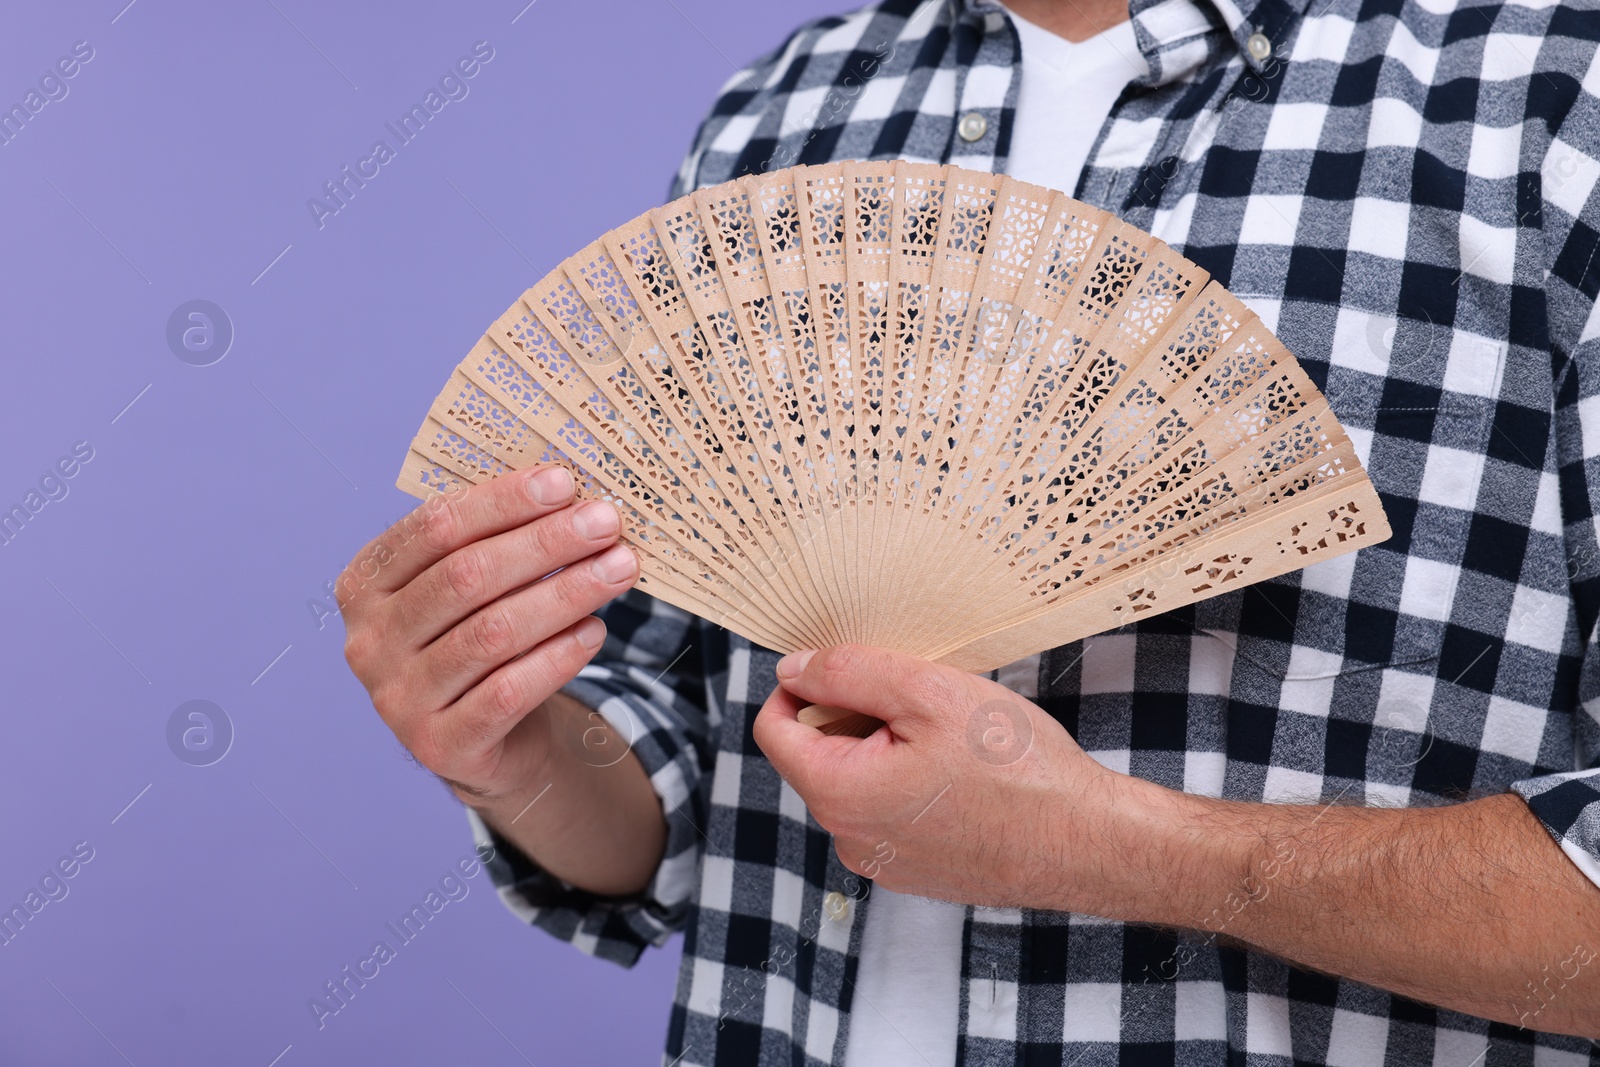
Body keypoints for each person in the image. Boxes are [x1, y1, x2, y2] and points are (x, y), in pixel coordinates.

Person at [338, 0, 1600, 1061]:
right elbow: (675, 763)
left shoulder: (1544, 93)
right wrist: (513, 745)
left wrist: (1128, 851)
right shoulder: (783, 105)